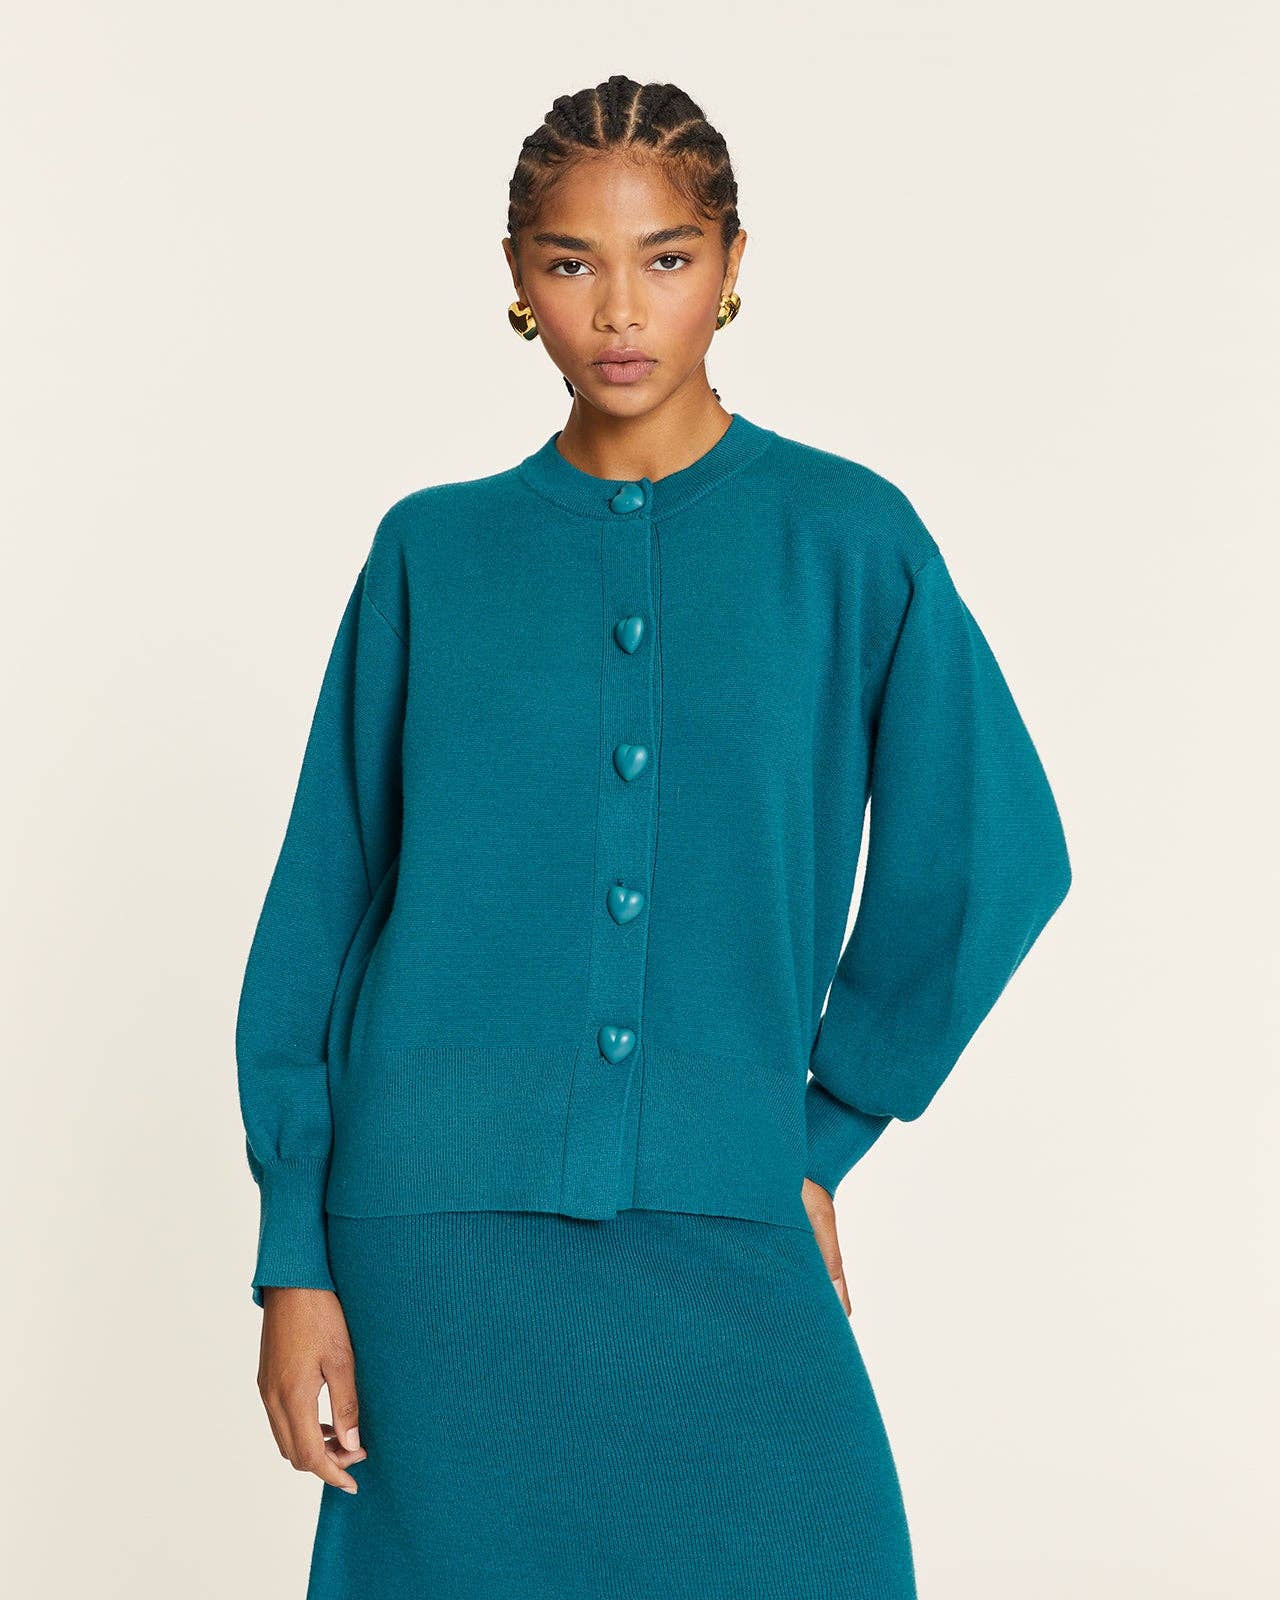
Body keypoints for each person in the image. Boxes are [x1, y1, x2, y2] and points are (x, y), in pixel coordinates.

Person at [235, 73, 1072, 1600]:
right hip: (432, 1241)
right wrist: (296, 1254)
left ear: (734, 264)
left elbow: (994, 858)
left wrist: (821, 1130)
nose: (619, 309)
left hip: (721, 1194)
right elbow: (320, 913)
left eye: (666, 258)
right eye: (572, 262)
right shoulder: (433, 551)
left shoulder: (846, 538)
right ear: (517, 278)